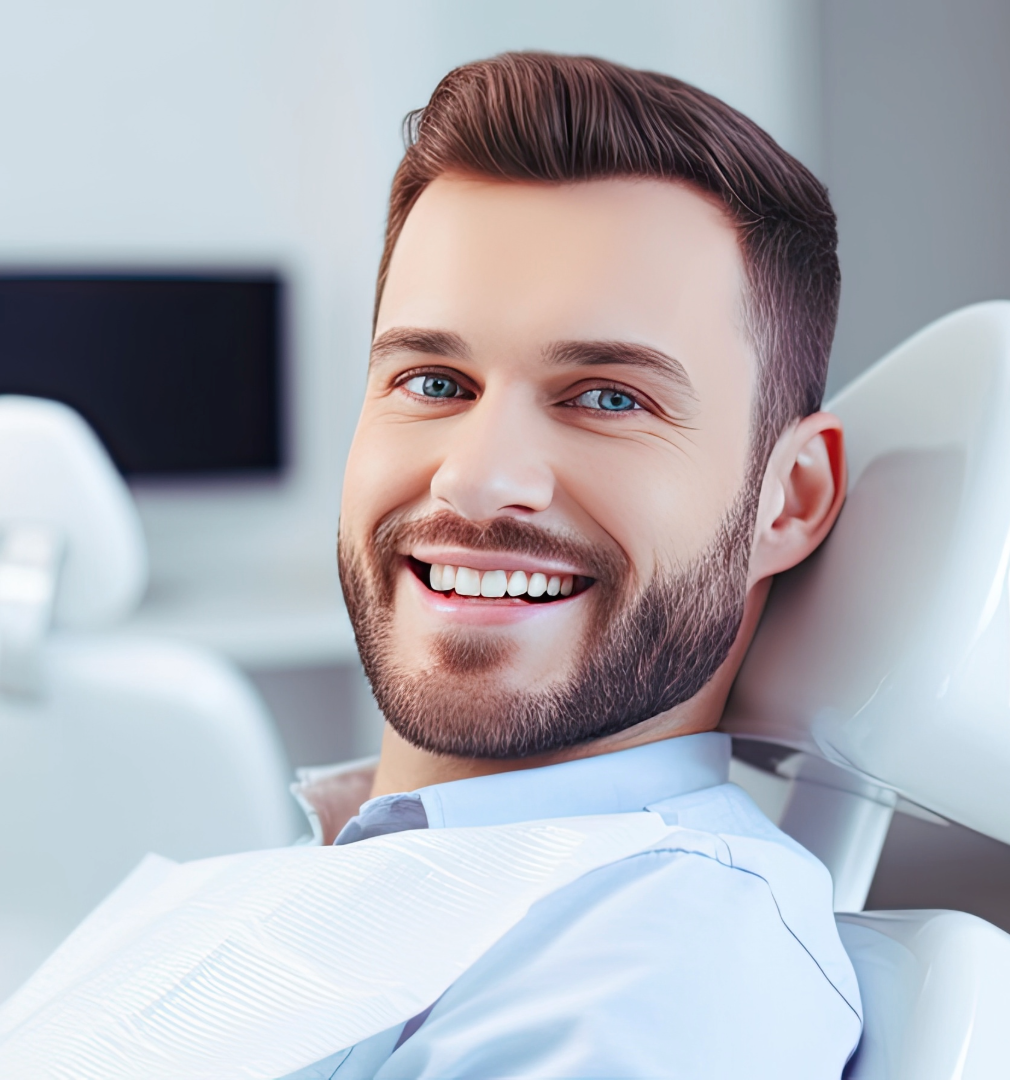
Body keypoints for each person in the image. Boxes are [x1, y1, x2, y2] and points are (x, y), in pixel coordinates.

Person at [289, 51, 858, 1077]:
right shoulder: (317, 872)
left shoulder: (661, 975)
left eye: (607, 397)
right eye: (433, 379)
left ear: (792, 497)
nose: (474, 480)